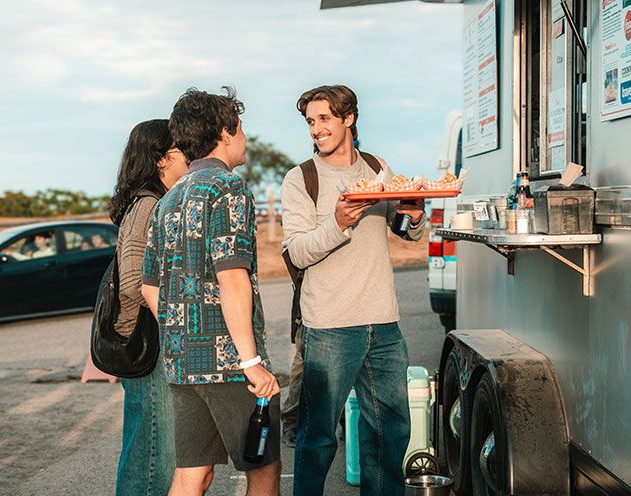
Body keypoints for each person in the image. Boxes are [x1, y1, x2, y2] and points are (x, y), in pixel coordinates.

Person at [281, 84, 426, 496]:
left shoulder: (379, 167)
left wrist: (413, 216)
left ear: (348, 119)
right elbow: (299, 250)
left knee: (390, 432)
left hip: (383, 322)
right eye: (311, 121)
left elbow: (406, 234)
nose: (316, 129)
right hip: (328, 326)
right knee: (317, 437)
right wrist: (339, 222)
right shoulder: (300, 179)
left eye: (324, 119)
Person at [141, 87, 281, 496]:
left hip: (182, 361)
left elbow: (149, 285)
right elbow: (232, 277)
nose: (245, 139)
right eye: (241, 129)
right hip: (229, 364)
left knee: (192, 476)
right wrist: (250, 360)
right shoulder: (227, 187)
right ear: (225, 131)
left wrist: (179, 326)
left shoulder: (169, 198)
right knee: (263, 469)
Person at [108, 119, 189, 496]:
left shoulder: (155, 202)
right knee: (155, 450)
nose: (189, 155)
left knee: (147, 444)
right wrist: (174, 322)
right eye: (180, 149)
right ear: (160, 158)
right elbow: (132, 282)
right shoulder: (148, 205)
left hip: (151, 338)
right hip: (151, 341)